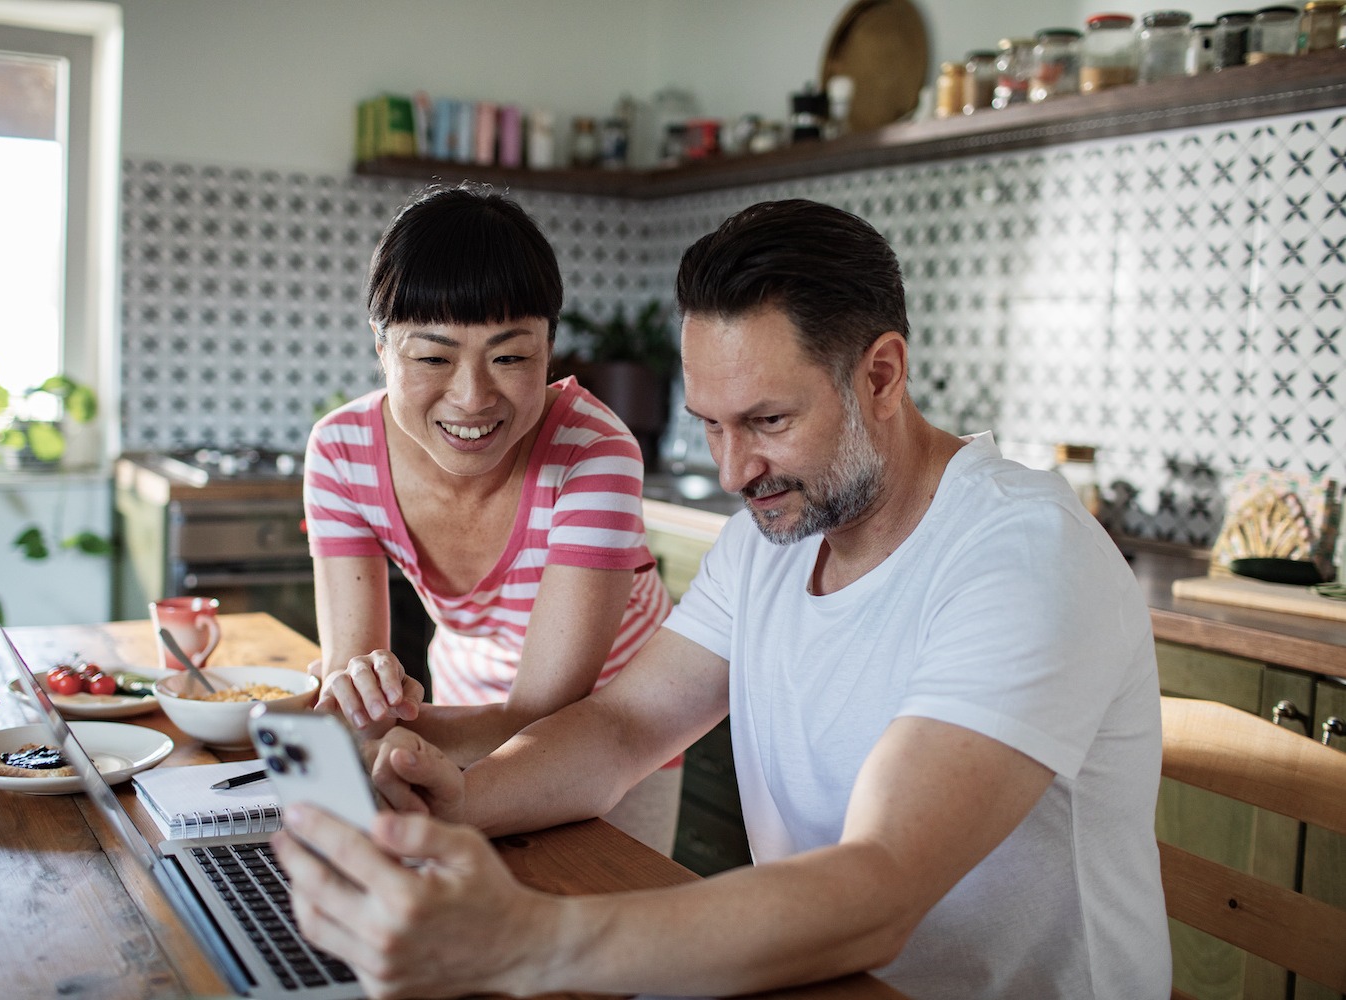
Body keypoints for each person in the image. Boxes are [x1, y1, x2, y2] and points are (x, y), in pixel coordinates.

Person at [276, 199, 1171, 999]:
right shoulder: (772, 539)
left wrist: (527, 940)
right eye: (710, 424)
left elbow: (882, 888)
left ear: (882, 376)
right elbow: (624, 727)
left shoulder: (1021, 557)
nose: (734, 471)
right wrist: (458, 800)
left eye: (768, 421)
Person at [301, 183, 678, 852]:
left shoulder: (595, 454)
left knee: (596, 916)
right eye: (432, 358)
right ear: (381, 347)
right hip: (460, 702)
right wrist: (359, 697)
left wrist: (378, 733)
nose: (473, 397)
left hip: (614, 726)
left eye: (510, 357)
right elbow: (351, 671)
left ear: (550, 349)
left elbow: (547, 712)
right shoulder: (341, 451)